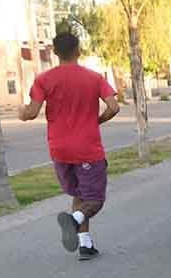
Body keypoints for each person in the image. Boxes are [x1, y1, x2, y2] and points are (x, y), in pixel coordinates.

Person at [19, 31, 120, 261]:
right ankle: (74, 220)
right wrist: (98, 120)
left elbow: (32, 112)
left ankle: (85, 244)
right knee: (94, 199)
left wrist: (21, 113)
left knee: (78, 194)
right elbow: (114, 107)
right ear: (78, 50)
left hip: (59, 149)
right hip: (87, 149)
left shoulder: (43, 79)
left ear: (54, 52)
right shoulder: (94, 78)